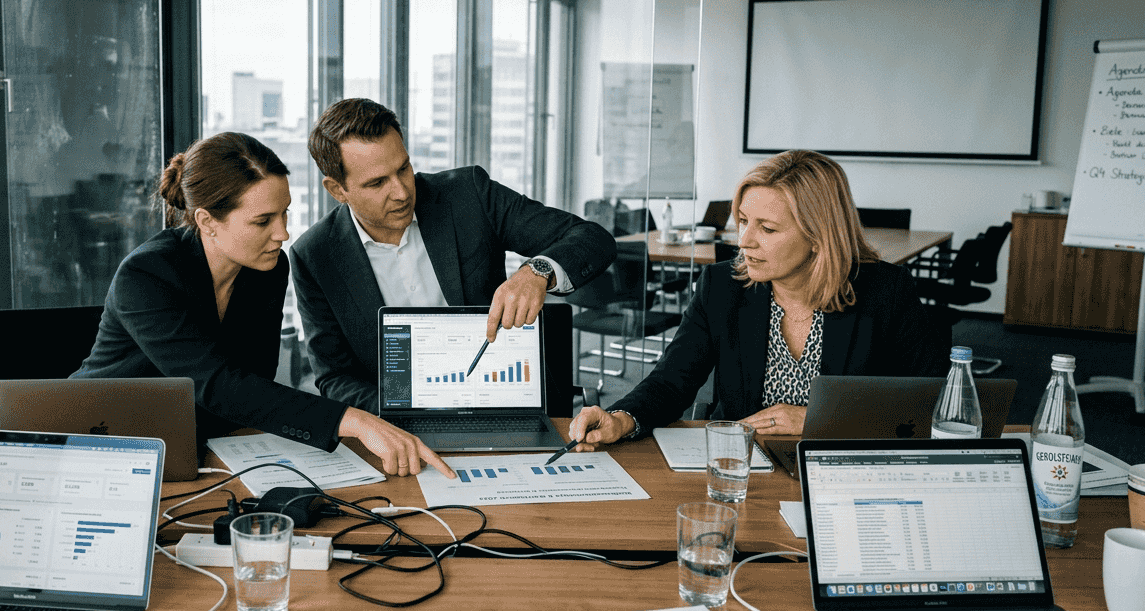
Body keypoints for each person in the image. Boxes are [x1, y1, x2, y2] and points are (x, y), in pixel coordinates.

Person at [72, 132, 453, 478]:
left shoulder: (267, 269)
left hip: (198, 449)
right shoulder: (147, 275)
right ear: (207, 221)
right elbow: (219, 386)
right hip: (100, 442)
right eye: (263, 221)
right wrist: (355, 421)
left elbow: (254, 383)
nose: (283, 233)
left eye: (285, 212)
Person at [569, 149, 949, 446]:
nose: (745, 241)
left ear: (819, 237)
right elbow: (672, 380)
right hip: (743, 466)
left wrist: (818, 420)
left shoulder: (885, 292)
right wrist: (623, 418)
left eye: (766, 228)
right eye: (744, 221)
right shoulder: (722, 286)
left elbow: (924, 403)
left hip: (838, 466)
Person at [289, 98, 616, 412]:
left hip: (502, 397)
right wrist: (404, 414)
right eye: (377, 183)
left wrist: (538, 270)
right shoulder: (314, 256)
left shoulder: (469, 196)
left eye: (403, 169)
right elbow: (335, 377)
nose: (402, 192)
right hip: (398, 421)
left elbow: (592, 238)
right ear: (337, 190)